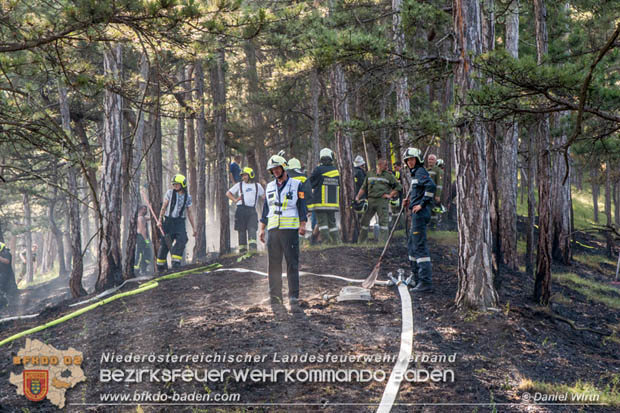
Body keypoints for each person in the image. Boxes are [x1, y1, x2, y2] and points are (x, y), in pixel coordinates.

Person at [259, 155, 307, 308]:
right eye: (273, 170)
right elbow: (266, 209)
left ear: (284, 168)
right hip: (273, 231)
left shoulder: (297, 184)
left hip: (290, 230)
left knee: (292, 263)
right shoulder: (269, 187)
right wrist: (261, 229)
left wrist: (303, 224)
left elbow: (302, 206)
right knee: (273, 264)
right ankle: (275, 297)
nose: (275, 171)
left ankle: (293, 296)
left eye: (277, 168)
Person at [403, 147, 436, 293]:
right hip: (416, 214)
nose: (410, 162)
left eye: (412, 159)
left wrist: (421, 204)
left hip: (421, 215)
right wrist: (410, 202)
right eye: (408, 160)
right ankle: (416, 277)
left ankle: (425, 282)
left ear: (418, 159)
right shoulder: (415, 174)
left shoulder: (421, 172)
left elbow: (431, 187)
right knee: (412, 245)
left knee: (419, 247)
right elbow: (421, 191)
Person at [156, 174, 197, 272]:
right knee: (165, 244)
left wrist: (194, 227)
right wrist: (160, 220)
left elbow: (190, 212)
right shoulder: (169, 193)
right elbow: (164, 206)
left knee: (183, 239)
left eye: (177, 184)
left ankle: (175, 263)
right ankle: (160, 266)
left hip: (180, 222)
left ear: (183, 184)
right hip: (169, 221)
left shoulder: (188, 197)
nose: (175, 186)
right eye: (174, 184)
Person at [355, 158, 402, 243]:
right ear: (379, 165)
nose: (387, 167)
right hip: (370, 201)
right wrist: (358, 197)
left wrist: (390, 195)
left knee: (383, 223)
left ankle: (382, 243)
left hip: (382, 201)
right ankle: (361, 242)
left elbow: (398, 187)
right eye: (385, 165)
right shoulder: (369, 174)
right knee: (364, 221)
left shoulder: (389, 175)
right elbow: (363, 187)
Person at [226, 167, 264, 253]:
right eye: (242, 176)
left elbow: (264, 196)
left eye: (245, 175)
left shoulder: (257, 186)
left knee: (252, 229)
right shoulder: (239, 185)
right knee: (241, 231)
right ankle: (242, 252)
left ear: (251, 175)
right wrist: (235, 200)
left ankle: (253, 250)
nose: (243, 177)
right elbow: (228, 193)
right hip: (241, 211)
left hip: (252, 211)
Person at [308, 148, 340, 244]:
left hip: (320, 202)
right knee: (332, 223)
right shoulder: (335, 170)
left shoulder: (318, 170)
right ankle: (336, 241)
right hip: (332, 202)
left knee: (323, 224)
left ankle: (326, 241)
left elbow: (310, 183)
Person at [134, 206, 152, 275]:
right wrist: (146, 240)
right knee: (142, 254)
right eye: (144, 209)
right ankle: (139, 270)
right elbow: (142, 230)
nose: (146, 211)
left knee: (145, 253)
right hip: (141, 238)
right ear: (140, 210)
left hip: (141, 238)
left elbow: (148, 218)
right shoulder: (140, 218)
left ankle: (142, 269)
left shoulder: (142, 217)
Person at [0, 241, 18, 309]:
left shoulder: (6, 253)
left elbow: (7, 261)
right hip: (2, 274)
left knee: (5, 289)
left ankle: (6, 303)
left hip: (7, 274)